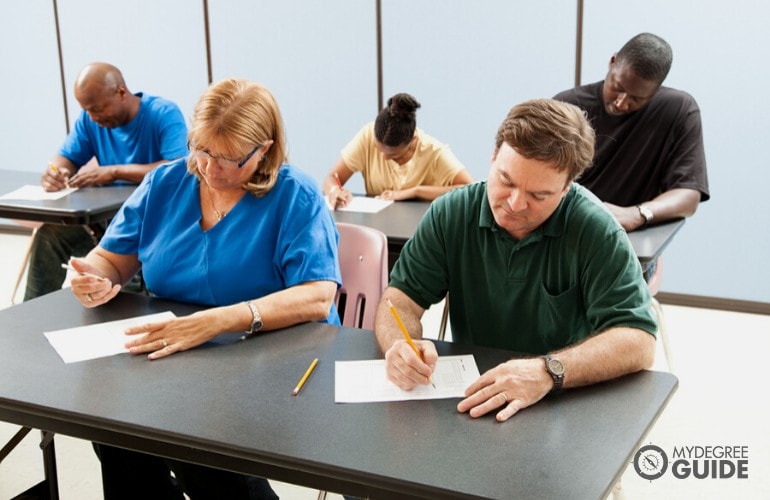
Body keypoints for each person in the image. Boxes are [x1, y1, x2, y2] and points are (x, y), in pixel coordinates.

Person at [67, 78, 342, 499]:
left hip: (271, 355)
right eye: (202, 149)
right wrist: (94, 278)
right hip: (178, 355)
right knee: (114, 429)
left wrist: (219, 321)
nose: (210, 168)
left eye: (228, 158)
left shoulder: (295, 195)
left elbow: (318, 295)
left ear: (264, 150)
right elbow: (111, 260)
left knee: (197, 441)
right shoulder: (166, 183)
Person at [374, 98, 658, 423]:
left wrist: (549, 370)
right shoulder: (451, 213)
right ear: (493, 157)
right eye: (506, 180)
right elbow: (399, 301)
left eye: (538, 195)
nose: (515, 203)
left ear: (566, 189)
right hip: (476, 398)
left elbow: (639, 338)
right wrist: (399, 346)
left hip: (567, 401)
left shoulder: (595, 229)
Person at [24, 62, 188, 301]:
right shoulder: (90, 120)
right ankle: (31, 312)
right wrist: (55, 172)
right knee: (51, 236)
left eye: (98, 109)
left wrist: (114, 172)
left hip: (152, 223)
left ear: (121, 92)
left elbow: (178, 167)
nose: (93, 117)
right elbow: (65, 158)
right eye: (87, 110)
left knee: (125, 268)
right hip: (106, 222)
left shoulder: (164, 113)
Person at [554, 32, 709, 233]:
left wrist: (638, 214)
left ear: (655, 92)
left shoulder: (679, 111)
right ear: (612, 62)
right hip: (564, 232)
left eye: (637, 98)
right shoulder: (566, 106)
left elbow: (688, 196)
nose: (621, 102)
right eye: (617, 87)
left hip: (630, 241)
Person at [323, 92, 473, 209]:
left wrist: (416, 191)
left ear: (413, 139)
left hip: (421, 233)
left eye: (393, 154)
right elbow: (331, 178)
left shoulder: (434, 152)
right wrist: (334, 191)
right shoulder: (367, 135)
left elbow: (468, 190)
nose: (383, 157)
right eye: (377, 148)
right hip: (379, 228)